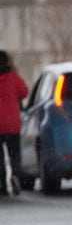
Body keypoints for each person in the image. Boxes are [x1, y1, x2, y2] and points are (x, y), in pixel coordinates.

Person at [0, 51, 29, 197]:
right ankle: (15, 175)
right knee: (14, 154)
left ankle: (3, 187)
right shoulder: (13, 78)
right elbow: (24, 92)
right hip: (12, 124)